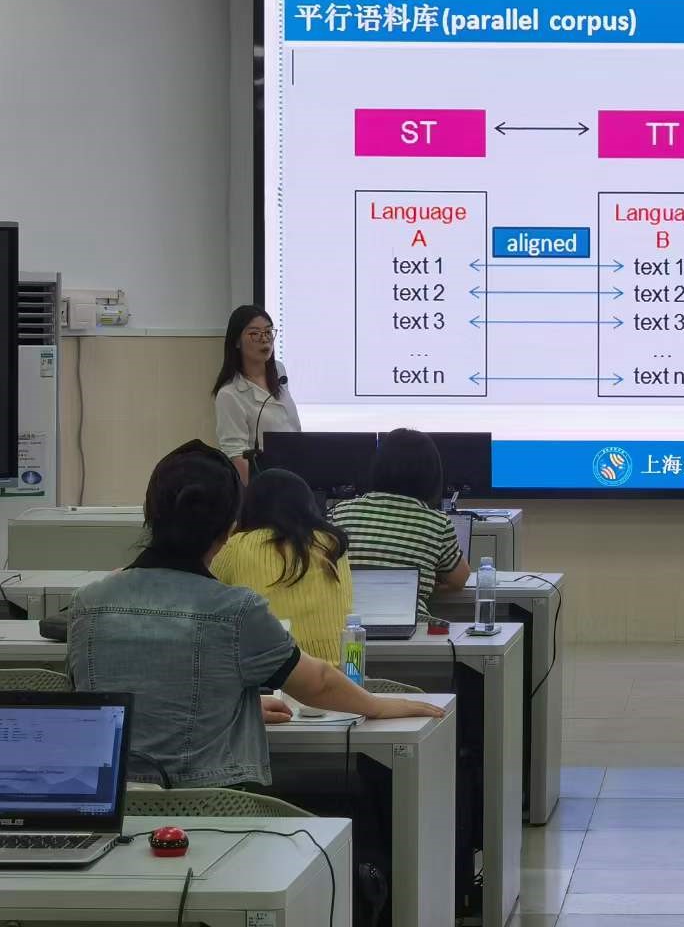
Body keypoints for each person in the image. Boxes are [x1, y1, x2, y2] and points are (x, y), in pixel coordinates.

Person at [66, 440, 442, 788]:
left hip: (108, 807)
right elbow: (318, 683)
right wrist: (377, 705)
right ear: (229, 528)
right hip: (213, 810)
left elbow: (112, 701)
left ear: (150, 514)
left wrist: (230, 705)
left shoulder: (87, 603)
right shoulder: (236, 611)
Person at [212, 467, 353, 667]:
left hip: (273, 674)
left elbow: (204, 596)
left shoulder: (237, 546)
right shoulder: (333, 544)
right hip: (340, 673)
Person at [331, 428, 471, 618]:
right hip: (408, 625)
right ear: (432, 476)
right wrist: (424, 581)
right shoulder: (437, 523)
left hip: (344, 624)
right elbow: (460, 579)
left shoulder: (340, 513)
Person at [212, 304, 300, 483]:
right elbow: (236, 454)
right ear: (237, 342)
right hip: (264, 482)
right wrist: (260, 491)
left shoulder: (279, 371)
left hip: (296, 473)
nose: (264, 339)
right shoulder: (229, 394)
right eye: (255, 333)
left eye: (268, 332)